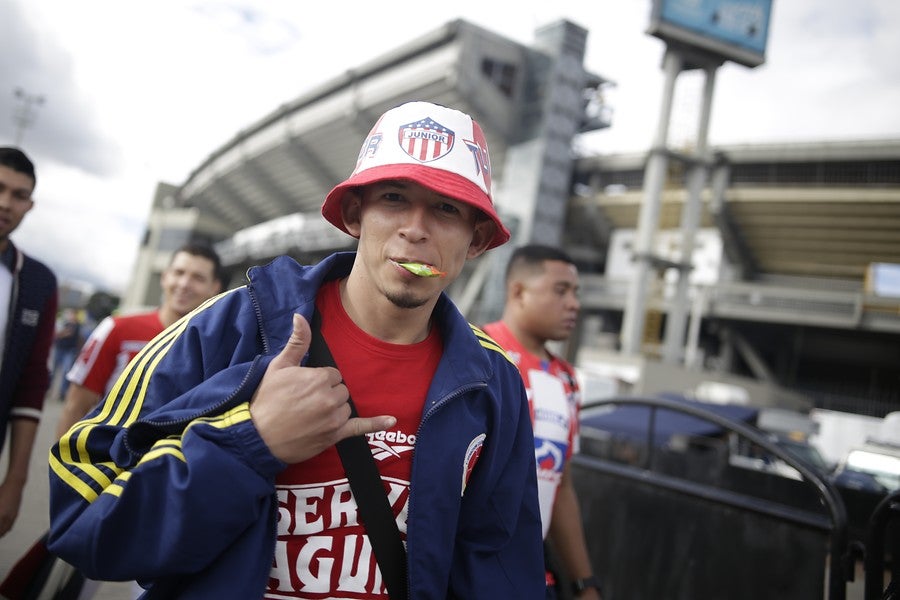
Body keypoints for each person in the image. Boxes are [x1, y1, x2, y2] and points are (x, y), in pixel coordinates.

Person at [48, 101, 544, 599]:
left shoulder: (490, 381)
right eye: (394, 197)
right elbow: (81, 511)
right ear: (355, 214)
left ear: (476, 239)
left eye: (446, 208)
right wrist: (251, 441)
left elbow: (499, 569)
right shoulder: (232, 325)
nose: (415, 228)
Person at [482, 244, 602, 600]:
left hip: (531, 576)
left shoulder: (566, 379)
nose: (574, 304)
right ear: (518, 292)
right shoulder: (474, 352)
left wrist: (585, 584)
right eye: (560, 290)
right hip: (463, 571)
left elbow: (560, 486)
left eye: (576, 293)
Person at [54, 241, 224, 440]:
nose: (184, 284)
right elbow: (75, 408)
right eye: (179, 272)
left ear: (215, 288)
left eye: (198, 278)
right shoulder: (117, 329)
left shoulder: (220, 350)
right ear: (165, 277)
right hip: (108, 467)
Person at [0, 146, 58, 538]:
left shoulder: (36, 282)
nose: (6, 203)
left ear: (30, 205)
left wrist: (15, 481)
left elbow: (32, 383)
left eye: (19, 195)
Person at [52, 307, 82, 400]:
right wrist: (64, 332)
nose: (71, 316)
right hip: (60, 349)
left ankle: (62, 393)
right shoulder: (64, 323)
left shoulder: (77, 326)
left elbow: (71, 335)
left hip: (70, 350)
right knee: (53, 371)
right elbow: (57, 334)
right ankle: (47, 389)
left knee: (66, 372)